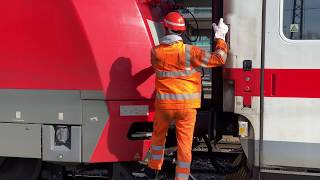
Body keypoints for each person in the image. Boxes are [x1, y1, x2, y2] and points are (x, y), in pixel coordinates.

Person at [143, 11, 228, 180]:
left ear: (166, 29)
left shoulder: (156, 52)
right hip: (187, 108)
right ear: (182, 31)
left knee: (158, 135)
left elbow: (156, 66)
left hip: (164, 106)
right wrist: (220, 37)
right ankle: (181, 177)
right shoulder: (192, 52)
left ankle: (153, 168)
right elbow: (219, 59)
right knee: (185, 144)